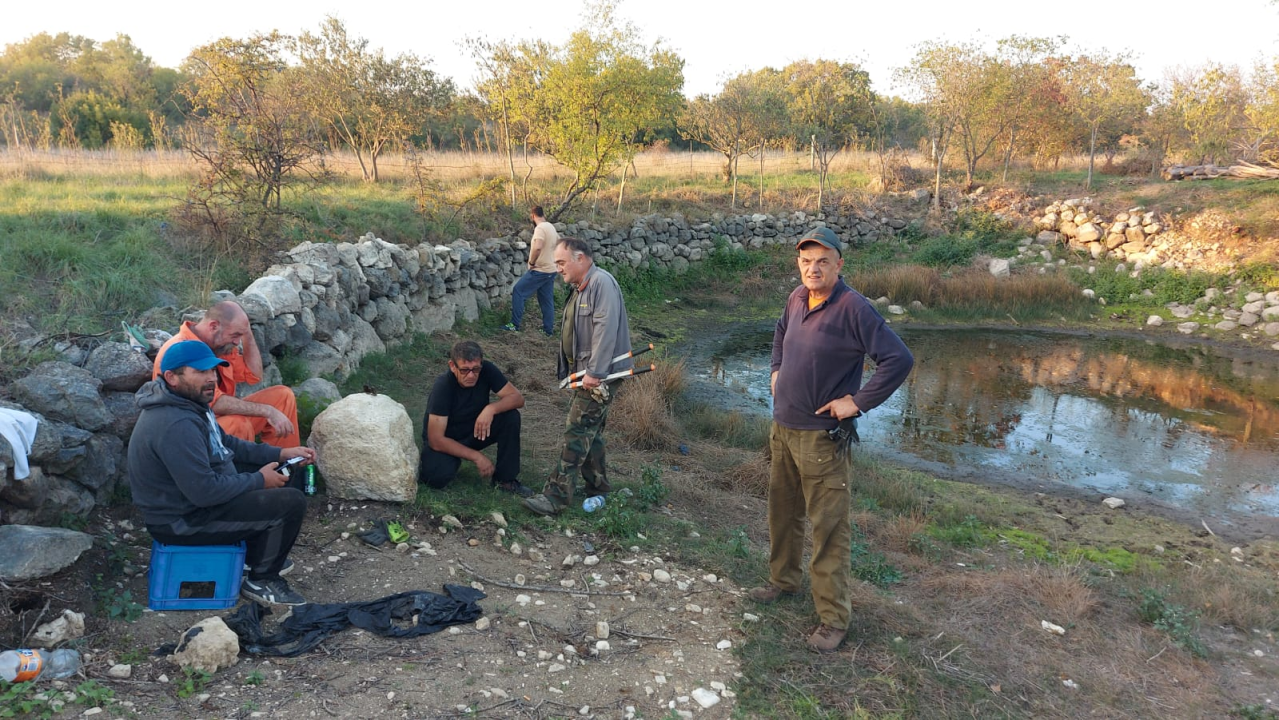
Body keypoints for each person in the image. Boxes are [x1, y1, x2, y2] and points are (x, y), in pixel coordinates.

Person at [750, 227, 914, 653]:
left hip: (821, 440)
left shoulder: (853, 308)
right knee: (782, 515)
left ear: (839, 264)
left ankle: (833, 620)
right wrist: (775, 369)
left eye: (822, 260)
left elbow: (898, 359)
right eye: (806, 261)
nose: (813, 268)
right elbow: (780, 334)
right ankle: (783, 582)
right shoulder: (796, 298)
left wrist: (857, 403)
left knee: (828, 530)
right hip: (783, 429)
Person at [129, 340, 316, 606]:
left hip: (195, 500)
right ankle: (261, 580)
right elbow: (204, 492)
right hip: (181, 521)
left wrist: (279, 454)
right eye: (200, 372)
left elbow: (227, 444)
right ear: (171, 377)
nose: (211, 379)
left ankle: (256, 557)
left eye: (213, 371)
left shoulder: (191, 402)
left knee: (289, 472)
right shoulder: (175, 424)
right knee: (290, 502)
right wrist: (259, 480)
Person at [523, 237, 633, 516]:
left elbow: (605, 330)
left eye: (561, 262)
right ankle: (598, 487)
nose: (557, 268)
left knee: (576, 432)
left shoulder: (600, 284)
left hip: (598, 376)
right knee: (590, 432)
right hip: (587, 373)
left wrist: (595, 374)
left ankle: (555, 498)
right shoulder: (582, 287)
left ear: (580, 258)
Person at [153, 301, 301, 449]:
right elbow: (215, 404)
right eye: (235, 335)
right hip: (190, 430)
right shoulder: (180, 349)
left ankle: (286, 464)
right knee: (238, 424)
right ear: (213, 326)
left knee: (283, 396)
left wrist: (247, 333)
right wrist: (267, 411)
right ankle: (246, 471)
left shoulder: (219, 346)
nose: (237, 342)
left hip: (217, 418)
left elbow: (254, 375)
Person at [418, 341, 532, 497]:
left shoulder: (487, 370)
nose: (471, 375)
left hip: (475, 431)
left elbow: (518, 398)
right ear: (452, 366)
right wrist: (476, 457)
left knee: (510, 416)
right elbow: (435, 439)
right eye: (465, 370)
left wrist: (491, 409)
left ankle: (505, 480)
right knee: (434, 478)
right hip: (446, 440)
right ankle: (453, 460)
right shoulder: (443, 386)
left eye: (476, 369)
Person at [503, 206, 559, 336]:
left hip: (540, 269)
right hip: (551, 269)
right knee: (546, 300)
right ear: (543, 214)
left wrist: (532, 262)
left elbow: (538, 247)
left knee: (518, 291)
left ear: (532, 216)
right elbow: (559, 242)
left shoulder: (540, 229)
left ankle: (514, 324)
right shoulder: (550, 227)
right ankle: (548, 330)